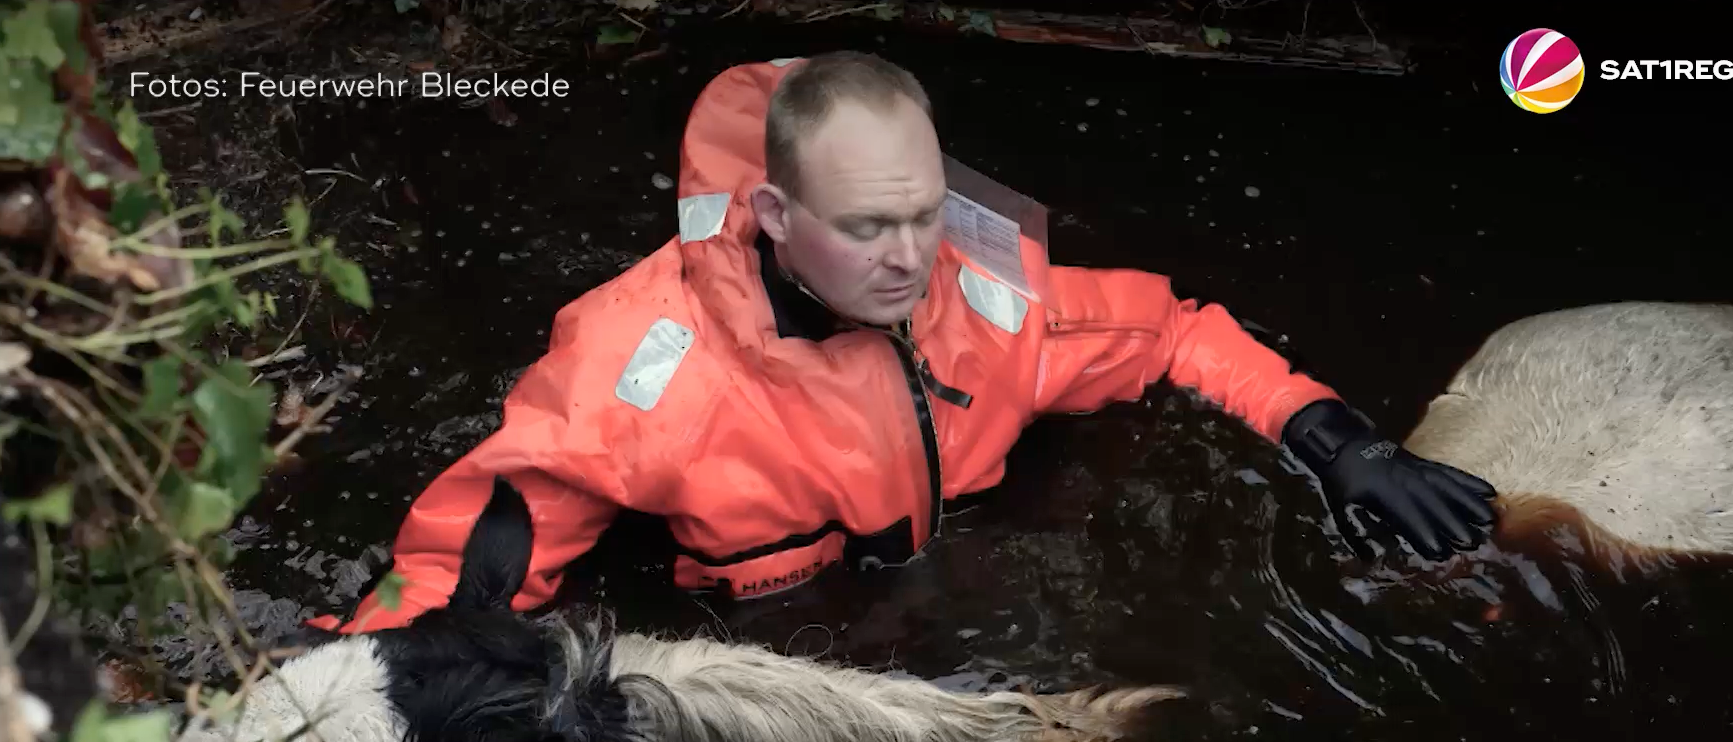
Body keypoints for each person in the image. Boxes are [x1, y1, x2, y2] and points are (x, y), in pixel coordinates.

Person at [310, 51, 1497, 634]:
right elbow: (459, 562)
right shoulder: (638, 377)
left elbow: (1172, 336)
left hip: (935, 582)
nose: (905, 255)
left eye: (923, 214)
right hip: (748, 632)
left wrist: (1335, 436)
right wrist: (358, 705)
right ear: (775, 219)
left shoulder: (984, 305)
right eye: (865, 225)